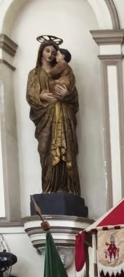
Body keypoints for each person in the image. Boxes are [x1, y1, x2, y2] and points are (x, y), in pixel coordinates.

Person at [26, 37, 80, 196]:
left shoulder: (63, 71)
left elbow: (74, 99)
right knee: (46, 150)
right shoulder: (35, 73)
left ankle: (66, 188)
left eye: (53, 52)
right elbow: (30, 95)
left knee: (66, 152)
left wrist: (67, 94)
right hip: (45, 119)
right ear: (41, 52)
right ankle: (49, 189)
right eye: (47, 51)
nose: (50, 55)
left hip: (63, 117)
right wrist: (41, 97)